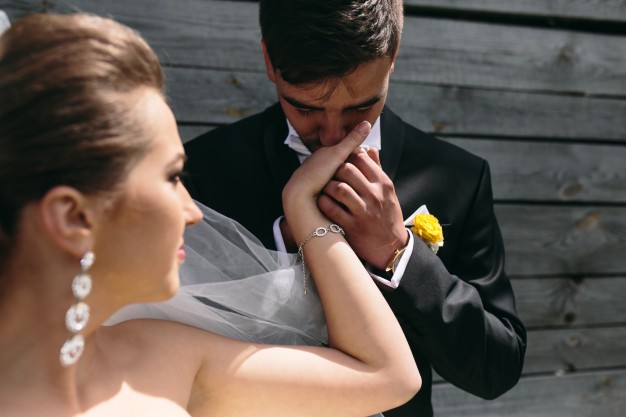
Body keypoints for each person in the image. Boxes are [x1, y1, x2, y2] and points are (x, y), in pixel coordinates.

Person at [0, 12, 421, 416]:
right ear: (74, 219)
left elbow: (390, 377)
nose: (193, 212)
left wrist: (302, 207)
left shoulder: (163, 356)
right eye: (171, 177)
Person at [183, 0, 527, 415]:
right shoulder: (202, 169)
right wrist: (286, 243)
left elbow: (496, 370)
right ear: (268, 59)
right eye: (305, 107)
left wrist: (399, 253)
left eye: (361, 107)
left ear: (393, 54)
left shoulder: (458, 177)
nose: (331, 135)